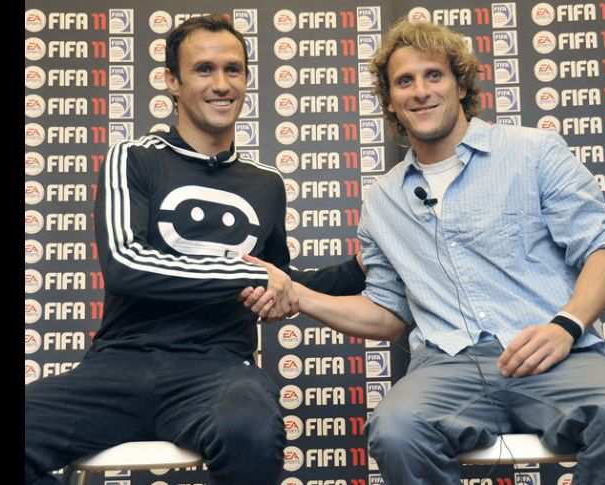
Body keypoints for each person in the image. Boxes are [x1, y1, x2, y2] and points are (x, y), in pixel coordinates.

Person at [242, 19, 605, 485]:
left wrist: (565, 326)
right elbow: (388, 313)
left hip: (555, 354)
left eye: (434, 75)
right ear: (390, 100)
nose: (421, 91)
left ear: (460, 85)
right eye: (404, 81)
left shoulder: (533, 152)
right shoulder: (382, 200)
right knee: (397, 430)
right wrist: (299, 295)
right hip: (448, 367)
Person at [24, 14, 365, 485]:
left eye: (233, 69)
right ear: (172, 81)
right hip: (120, 364)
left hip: (218, 370)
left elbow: (279, 280)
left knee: (251, 430)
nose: (221, 84)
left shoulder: (266, 183)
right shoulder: (135, 157)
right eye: (204, 69)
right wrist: (248, 275)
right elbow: (126, 264)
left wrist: (358, 269)